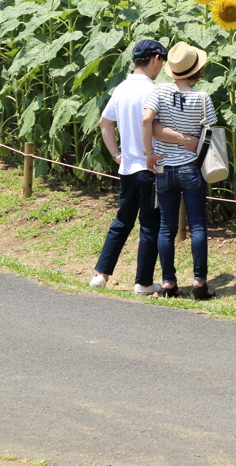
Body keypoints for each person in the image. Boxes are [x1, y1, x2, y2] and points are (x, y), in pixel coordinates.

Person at [90, 39, 198, 294]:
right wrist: (184, 139)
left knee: (122, 221)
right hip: (152, 168)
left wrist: (117, 154)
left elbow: (105, 123)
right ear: (156, 60)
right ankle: (143, 283)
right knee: (150, 225)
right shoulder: (155, 91)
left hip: (127, 168)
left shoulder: (122, 88)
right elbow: (155, 128)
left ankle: (100, 275)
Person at [142, 41, 217, 300]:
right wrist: (190, 142)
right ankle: (199, 284)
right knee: (197, 226)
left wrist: (149, 153)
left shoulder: (159, 91)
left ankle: (169, 284)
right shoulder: (203, 97)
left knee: (166, 228)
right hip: (191, 167)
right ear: (197, 70)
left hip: (163, 168)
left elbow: (146, 120)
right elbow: (211, 133)